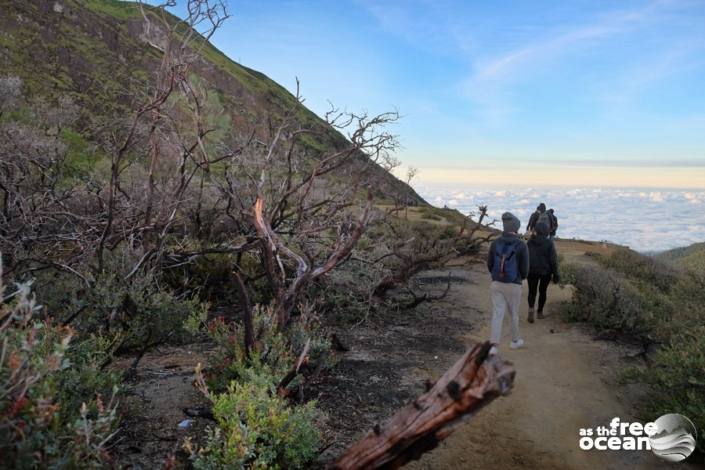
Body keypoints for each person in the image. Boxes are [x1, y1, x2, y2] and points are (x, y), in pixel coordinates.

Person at [487, 212, 529, 354]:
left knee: (497, 313)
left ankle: (493, 346)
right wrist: (520, 278)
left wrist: (496, 276)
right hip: (514, 283)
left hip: (497, 282)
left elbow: (490, 264)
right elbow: (525, 269)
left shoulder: (495, 243)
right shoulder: (521, 245)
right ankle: (515, 341)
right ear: (516, 227)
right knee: (513, 314)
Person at [526, 221, 560, 323]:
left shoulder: (530, 242)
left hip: (531, 271)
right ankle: (540, 313)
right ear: (545, 231)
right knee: (542, 292)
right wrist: (556, 274)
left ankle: (531, 310)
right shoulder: (549, 243)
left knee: (532, 292)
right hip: (546, 272)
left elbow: (526, 257)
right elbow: (553, 260)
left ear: (536, 230)